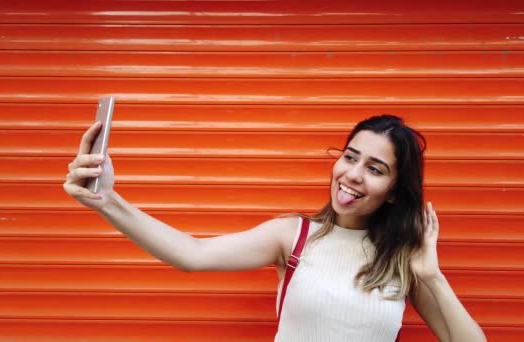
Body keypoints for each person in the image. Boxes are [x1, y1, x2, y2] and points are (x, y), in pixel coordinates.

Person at [63, 114, 486, 341]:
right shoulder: (294, 235)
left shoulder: (404, 260)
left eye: (375, 169)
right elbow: (193, 255)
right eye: (350, 156)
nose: (353, 174)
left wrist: (432, 276)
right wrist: (107, 201)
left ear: (395, 190)